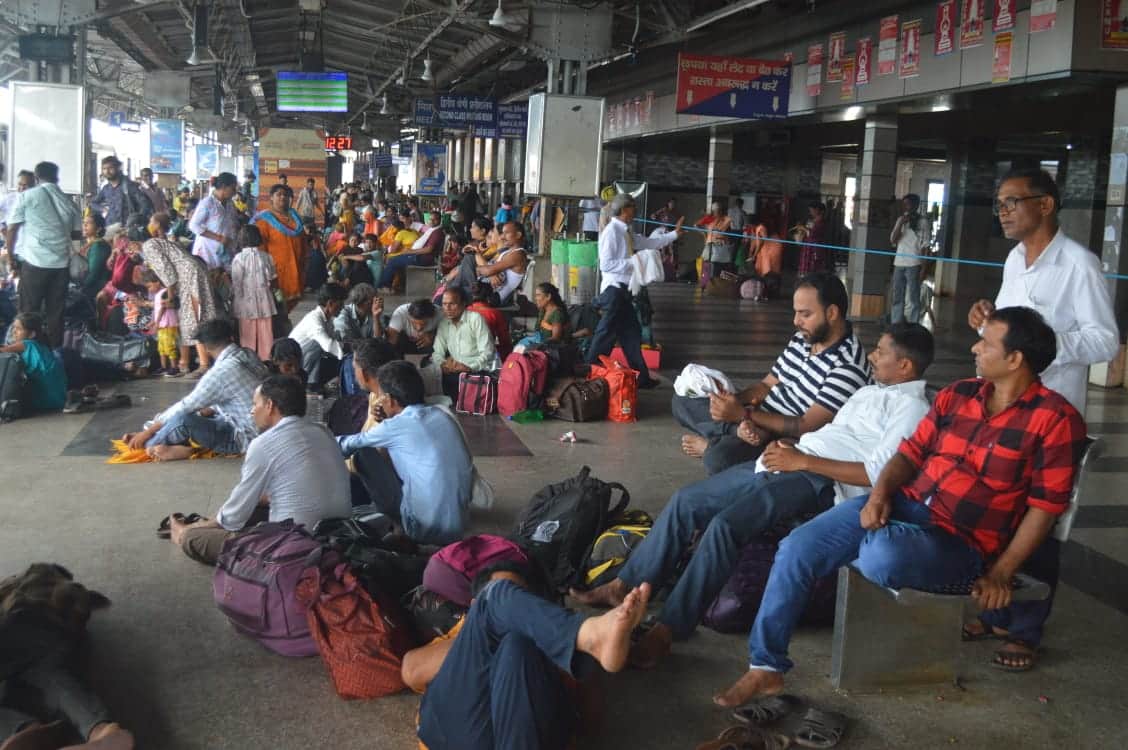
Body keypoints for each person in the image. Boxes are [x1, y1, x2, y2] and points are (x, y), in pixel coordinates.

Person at [713, 306, 1087, 707]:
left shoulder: (1055, 420)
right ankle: (765, 667)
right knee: (798, 546)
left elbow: (1045, 507)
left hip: (963, 540)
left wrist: (1002, 571)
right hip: (906, 505)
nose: (974, 347)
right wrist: (878, 496)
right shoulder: (957, 395)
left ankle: (891, 552)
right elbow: (909, 455)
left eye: (986, 342)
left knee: (881, 554)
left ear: (1015, 359)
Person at [574, 324, 934, 668]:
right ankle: (625, 584)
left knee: (725, 527)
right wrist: (787, 446)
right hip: (788, 458)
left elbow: (879, 473)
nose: (872, 355)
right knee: (687, 501)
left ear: (904, 365)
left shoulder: (913, 409)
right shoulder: (869, 392)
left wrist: (803, 459)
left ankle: (668, 628)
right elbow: (828, 432)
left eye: (881, 352)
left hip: (819, 480)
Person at [963, 167, 1118, 671]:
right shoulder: (1015, 259)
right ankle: (994, 609)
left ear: (1046, 205)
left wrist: (1043, 350)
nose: (1004, 211)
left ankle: (1025, 631)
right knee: (996, 506)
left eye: (1013, 201)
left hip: (1051, 413)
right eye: (1000, 203)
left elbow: (1104, 340)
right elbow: (1011, 329)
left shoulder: (1079, 265)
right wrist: (989, 319)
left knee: (1040, 518)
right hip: (1004, 405)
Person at [405, 565, 651, 750]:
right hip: (458, 732)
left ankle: (591, 637)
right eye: (512, 603)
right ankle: (590, 634)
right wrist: (486, 633)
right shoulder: (465, 635)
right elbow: (410, 671)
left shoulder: (545, 636)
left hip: (523, 732)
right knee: (506, 621)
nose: (514, 606)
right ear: (473, 606)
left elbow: (590, 722)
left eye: (520, 600)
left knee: (519, 643)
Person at [673, 272, 872, 475]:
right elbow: (766, 385)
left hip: (782, 435)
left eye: (805, 314)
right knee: (681, 400)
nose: (796, 321)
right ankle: (733, 432)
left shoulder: (847, 366)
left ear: (831, 313)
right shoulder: (803, 338)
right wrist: (730, 401)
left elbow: (805, 426)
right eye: (796, 313)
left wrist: (743, 414)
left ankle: (715, 443)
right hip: (756, 417)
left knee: (719, 459)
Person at [167, 375, 352, 565]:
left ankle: (182, 534)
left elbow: (233, 517)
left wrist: (197, 527)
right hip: (339, 536)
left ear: (270, 405)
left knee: (195, 539)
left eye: (255, 404)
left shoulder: (263, 444)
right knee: (255, 505)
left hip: (295, 548)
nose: (252, 411)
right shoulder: (324, 432)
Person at [0, 563, 134, 750]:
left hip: (22, 629)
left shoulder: (20, 592)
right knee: (53, 680)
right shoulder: (45, 588)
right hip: (57, 636)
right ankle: (102, 731)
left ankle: (24, 729)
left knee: (42, 679)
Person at [338, 360, 474, 544]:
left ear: (390, 400)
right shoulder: (442, 414)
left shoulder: (395, 427)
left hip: (421, 530)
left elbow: (347, 444)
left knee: (363, 454)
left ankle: (399, 527)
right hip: (458, 527)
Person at [120, 319, 268, 460]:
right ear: (231, 337)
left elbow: (185, 407)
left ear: (204, 348)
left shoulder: (221, 372)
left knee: (182, 421)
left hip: (245, 439)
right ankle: (164, 437)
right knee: (198, 413)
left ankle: (151, 443)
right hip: (259, 428)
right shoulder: (248, 354)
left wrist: (147, 433)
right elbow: (229, 399)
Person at [588, 194, 682, 390]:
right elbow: (606, 265)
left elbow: (648, 243)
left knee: (632, 334)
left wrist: (674, 235)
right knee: (604, 335)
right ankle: (588, 371)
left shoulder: (625, 232)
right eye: (632, 208)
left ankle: (642, 378)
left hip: (624, 291)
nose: (635, 212)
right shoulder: (611, 232)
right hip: (614, 292)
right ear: (624, 210)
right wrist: (635, 263)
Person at [5, 161, 81, 348]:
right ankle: (53, 355)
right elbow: (77, 235)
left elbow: (12, 228)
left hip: (34, 263)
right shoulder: (69, 202)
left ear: (36, 178)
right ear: (57, 177)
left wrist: (10, 256)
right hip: (61, 267)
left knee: (28, 313)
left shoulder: (28, 196)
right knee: (56, 314)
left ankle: (26, 355)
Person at [142, 212, 220, 377]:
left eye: (151, 221)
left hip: (188, 277)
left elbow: (165, 269)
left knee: (194, 317)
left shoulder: (149, 244)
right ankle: (210, 360)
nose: (149, 224)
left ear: (157, 225)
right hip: (195, 273)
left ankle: (204, 364)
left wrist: (170, 294)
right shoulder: (167, 241)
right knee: (201, 315)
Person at [432, 287, 497, 400]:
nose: (447, 308)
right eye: (444, 304)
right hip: (456, 370)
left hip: (477, 370)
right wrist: (443, 365)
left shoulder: (475, 319)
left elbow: (488, 352)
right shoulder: (443, 323)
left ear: (463, 304)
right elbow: (437, 352)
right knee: (429, 370)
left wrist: (469, 367)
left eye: (452, 304)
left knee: (459, 381)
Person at [230, 224, 278, 361]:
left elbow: (237, 283)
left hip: (246, 303)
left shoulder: (238, 259)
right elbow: (273, 278)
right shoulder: (266, 257)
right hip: (265, 302)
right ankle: (267, 360)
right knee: (266, 332)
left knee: (247, 334)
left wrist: (235, 301)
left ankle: (249, 360)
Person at [0, 312, 67, 412]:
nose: (14, 332)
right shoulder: (44, 347)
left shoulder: (27, 344)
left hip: (41, 402)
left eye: (18, 329)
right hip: (58, 400)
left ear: (31, 334)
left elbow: (3, 351)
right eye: (13, 328)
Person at [253, 184, 306, 309]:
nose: (283, 197)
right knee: (277, 307)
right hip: (277, 273)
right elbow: (260, 249)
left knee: (290, 307)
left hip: (296, 270)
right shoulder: (265, 220)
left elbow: (303, 242)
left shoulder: (296, 218)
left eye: (286, 195)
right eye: (279, 194)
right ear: (271, 198)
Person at [290, 283, 347, 392]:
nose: (343, 307)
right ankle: (309, 385)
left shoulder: (327, 319)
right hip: (295, 365)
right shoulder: (314, 320)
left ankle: (312, 384)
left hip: (307, 362)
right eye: (340, 304)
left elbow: (334, 341)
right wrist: (348, 348)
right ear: (330, 303)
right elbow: (329, 345)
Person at [890, 193, 931, 324]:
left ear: (916, 205)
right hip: (899, 263)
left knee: (913, 298)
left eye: (908, 204)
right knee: (897, 296)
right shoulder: (901, 220)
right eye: (904, 205)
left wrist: (924, 268)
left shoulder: (923, 222)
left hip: (914, 263)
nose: (906, 207)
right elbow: (893, 240)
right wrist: (900, 224)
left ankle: (913, 324)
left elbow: (925, 247)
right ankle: (896, 324)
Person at [377, 210, 444, 290]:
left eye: (435, 219)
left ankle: (384, 286)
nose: (432, 221)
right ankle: (398, 285)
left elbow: (429, 250)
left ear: (439, 220)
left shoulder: (436, 232)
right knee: (398, 259)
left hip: (423, 258)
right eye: (430, 219)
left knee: (392, 261)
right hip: (422, 256)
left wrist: (410, 252)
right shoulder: (431, 230)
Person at [189, 172, 240, 269]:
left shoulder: (230, 204)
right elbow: (194, 226)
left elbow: (234, 223)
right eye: (233, 188)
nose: (235, 192)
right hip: (207, 252)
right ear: (224, 187)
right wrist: (219, 238)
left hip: (225, 252)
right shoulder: (208, 203)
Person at [89, 156, 152, 226]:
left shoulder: (129, 186)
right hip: (109, 228)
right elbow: (93, 203)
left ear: (118, 168)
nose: (107, 171)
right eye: (104, 169)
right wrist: (103, 209)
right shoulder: (106, 188)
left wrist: (137, 219)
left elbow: (145, 205)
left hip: (126, 230)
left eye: (110, 168)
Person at [140, 271, 181, 377]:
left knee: (170, 346)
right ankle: (163, 367)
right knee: (161, 347)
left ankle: (174, 367)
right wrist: (153, 322)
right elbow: (158, 310)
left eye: (149, 286)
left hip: (168, 323)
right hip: (162, 324)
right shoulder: (157, 295)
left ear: (157, 282)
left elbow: (163, 308)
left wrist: (156, 322)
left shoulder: (165, 292)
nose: (149, 290)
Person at [514, 282, 570, 352]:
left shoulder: (557, 313)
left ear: (548, 297)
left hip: (548, 349)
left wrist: (538, 345)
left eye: (538, 295)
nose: (536, 298)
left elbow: (556, 338)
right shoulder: (543, 310)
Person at [467, 282, 513, 360]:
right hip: (486, 358)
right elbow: (504, 341)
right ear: (489, 297)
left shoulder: (464, 312)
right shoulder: (494, 313)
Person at [78, 212, 112, 302]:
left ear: (98, 229)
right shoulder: (92, 244)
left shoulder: (99, 246)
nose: (84, 225)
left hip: (96, 289)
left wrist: (80, 288)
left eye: (89, 223)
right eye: (84, 222)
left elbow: (93, 274)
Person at [798, 201, 829, 274]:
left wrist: (804, 229)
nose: (810, 212)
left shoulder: (822, 222)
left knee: (814, 267)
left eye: (812, 210)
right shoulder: (811, 221)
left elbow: (812, 233)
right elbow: (806, 232)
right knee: (806, 267)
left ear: (817, 210)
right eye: (810, 210)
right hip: (807, 247)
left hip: (815, 249)